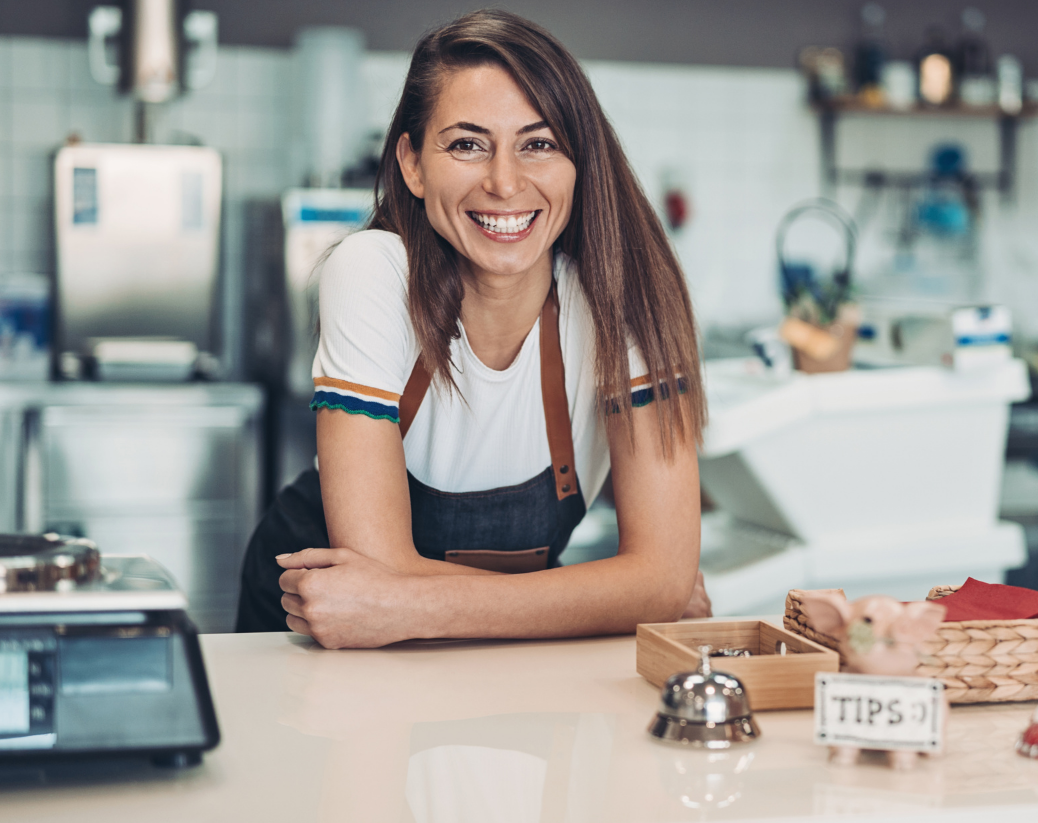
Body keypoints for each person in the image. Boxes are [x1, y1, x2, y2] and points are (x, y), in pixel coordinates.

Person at [235, 10, 710, 647]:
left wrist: (401, 604)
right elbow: (376, 570)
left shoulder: (628, 296)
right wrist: (611, 596)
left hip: (482, 648)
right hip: (309, 633)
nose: (504, 183)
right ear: (412, 164)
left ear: (579, 162)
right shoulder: (371, 271)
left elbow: (663, 582)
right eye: (467, 144)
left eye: (538, 143)